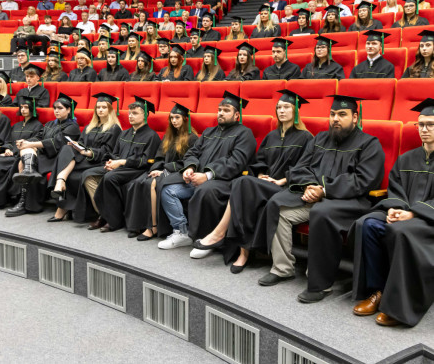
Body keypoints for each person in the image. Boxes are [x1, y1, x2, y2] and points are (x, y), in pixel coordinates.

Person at [254, 95, 384, 304]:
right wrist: (310, 187)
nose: (335, 119)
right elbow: (300, 168)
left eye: (342, 114)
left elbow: (363, 180)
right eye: (332, 114)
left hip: (350, 202)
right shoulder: (320, 139)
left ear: (355, 117)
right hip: (314, 196)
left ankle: (320, 284)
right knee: (278, 205)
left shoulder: (369, 144)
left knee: (321, 213)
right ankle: (282, 268)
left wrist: (324, 190)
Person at [192, 90, 313, 267]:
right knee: (243, 186)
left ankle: (222, 237)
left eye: (287, 107)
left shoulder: (306, 137)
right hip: (265, 185)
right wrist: (261, 175)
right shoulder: (271, 136)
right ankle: (241, 252)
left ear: (295, 111)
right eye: (279, 107)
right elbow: (259, 161)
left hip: (286, 188)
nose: (281, 111)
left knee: (242, 183)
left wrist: (282, 180)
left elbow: (304, 167)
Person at [351, 98, 434, 327]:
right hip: (406, 215)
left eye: (430, 124)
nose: (424, 129)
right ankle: (377, 291)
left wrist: (413, 214)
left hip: (428, 222)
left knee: (401, 232)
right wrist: (396, 210)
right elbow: (395, 189)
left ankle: (398, 305)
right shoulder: (407, 158)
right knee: (367, 224)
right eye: (421, 124)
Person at [158, 91, 256, 249]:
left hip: (225, 181)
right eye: (219, 110)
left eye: (226, 110)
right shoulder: (209, 132)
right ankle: (181, 232)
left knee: (205, 190)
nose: (221, 113)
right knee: (167, 188)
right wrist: (190, 167)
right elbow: (192, 152)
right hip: (197, 177)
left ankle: (205, 239)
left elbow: (236, 162)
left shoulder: (244, 134)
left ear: (237, 115)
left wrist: (207, 176)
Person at [76, 97, 161, 232]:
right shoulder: (125, 133)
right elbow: (114, 153)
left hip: (137, 169)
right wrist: (111, 162)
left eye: (135, 113)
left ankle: (113, 220)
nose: (130, 116)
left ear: (145, 115)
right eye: (129, 113)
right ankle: (103, 213)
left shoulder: (152, 136)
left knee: (110, 177)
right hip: (120, 167)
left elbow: (146, 161)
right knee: (88, 175)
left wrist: (121, 162)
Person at [123, 103, 199, 238]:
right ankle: (137, 224)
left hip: (179, 173)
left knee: (152, 183)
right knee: (138, 182)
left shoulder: (192, 138)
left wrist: (164, 171)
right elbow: (159, 157)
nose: (174, 121)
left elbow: (186, 162)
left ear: (185, 119)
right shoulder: (168, 136)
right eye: (171, 118)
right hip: (163, 170)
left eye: (177, 117)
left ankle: (153, 226)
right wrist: (157, 169)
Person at [48, 93, 122, 222]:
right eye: (98, 107)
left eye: (104, 107)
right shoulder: (90, 126)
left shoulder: (114, 129)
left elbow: (108, 151)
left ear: (110, 110)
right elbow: (82, 143)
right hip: (84, 159)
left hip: (98, 161)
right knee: (67, 148)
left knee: (71, 173)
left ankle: (62, 201)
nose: (100, 110)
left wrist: (89, 152)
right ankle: (61, 181)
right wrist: (76, 145)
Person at [6, 93, 81, 217]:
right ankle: (23, 199)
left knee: (26, 159)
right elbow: (39, 136)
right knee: (23, 158)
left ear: (69, 110)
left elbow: (57, 143)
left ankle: (26, 202)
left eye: (60, 108)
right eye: (55, 108)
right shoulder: (51, 123)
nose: (56, 111)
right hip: (43, 155)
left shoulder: (73, 127)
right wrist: (26, 142)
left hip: (56, 158)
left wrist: (30, 144)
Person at [0, 96, 43, 209]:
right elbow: (8, 141)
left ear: (32, 109)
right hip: (10, 155)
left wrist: (13, 151)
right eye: (21, 107)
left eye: (26, 107)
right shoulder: (16, 125)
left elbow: (32, 142)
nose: (23, 110)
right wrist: (7, 149)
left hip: (20, 156)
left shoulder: (38, 125)